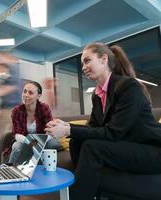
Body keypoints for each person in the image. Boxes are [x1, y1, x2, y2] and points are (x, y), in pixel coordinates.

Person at [45, 42, 161, 200]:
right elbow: (93, 127)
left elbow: (113, 132)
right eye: (82, 64)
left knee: (92, 147)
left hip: (151, 150)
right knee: (77, 141)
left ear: (103, 59)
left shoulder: (128, 86)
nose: (84, 67)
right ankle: (89, 190)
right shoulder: (97, 95)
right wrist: (66, 126)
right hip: (126, 145)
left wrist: (68, 130)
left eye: (87, 60)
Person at [8, 81, 61, 163]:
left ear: (38, 96)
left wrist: (39, 142)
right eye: (24, 91)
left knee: (54, 144)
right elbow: (17, 134)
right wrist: (31, 143)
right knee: (16, 146)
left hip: (43, 139)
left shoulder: (44, 108)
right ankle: (10, 171)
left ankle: (40, 168)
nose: (26, 95)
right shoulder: (16, 110)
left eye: (30, 93)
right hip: (24, 140)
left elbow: (50, 130)